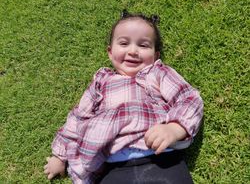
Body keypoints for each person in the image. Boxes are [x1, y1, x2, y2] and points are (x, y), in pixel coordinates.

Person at [44, 10, 203, 183]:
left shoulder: (157, 73)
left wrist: (175, 128)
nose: (133, 51)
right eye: (124, 43)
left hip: (161, 158)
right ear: (110, 52)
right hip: (113, 168)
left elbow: (188, 97)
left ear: (156, 56)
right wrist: (59, 156)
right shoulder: (100, 82)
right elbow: (77, 117)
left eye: (143, 45)